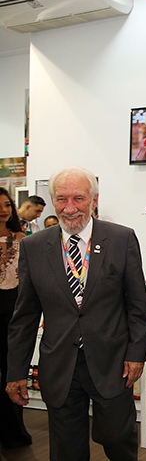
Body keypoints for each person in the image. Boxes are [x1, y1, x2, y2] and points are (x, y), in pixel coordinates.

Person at [5, 166, 146, 461]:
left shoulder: (121, 239)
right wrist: (16, 372)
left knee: (118, 439)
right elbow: (25, 316)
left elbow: (137, 305)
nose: (69, 208)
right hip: (59, 366)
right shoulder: (33, 246)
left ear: (94, 200)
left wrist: (136, 354)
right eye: (62, 199)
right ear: (53, 201)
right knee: (66, 450)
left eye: (78, 198)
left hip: (112, 364)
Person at [0, 187, 32, 449]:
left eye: (7, 205)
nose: (3, 210)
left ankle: (13, 431)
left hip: (14, 314)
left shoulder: (23, 240)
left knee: (13, 373)